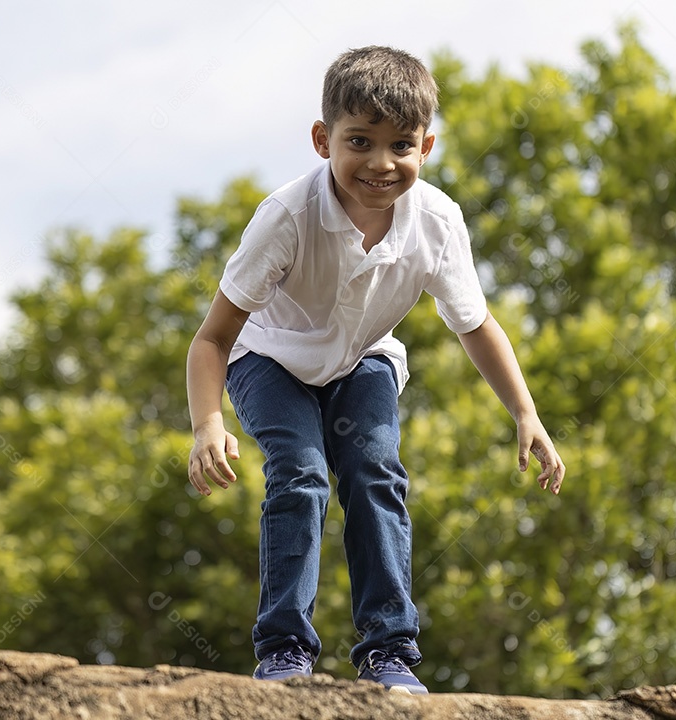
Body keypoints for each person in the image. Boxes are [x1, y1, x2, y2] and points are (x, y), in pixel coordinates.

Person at [185, 45, 566, 695]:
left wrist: (526, 414)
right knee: (301, 475)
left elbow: (476, 325)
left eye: (401, 146)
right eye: (359, 141)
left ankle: (389, 650)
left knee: (375, 471)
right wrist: (206, 424)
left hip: (364, 360)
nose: (380, 164)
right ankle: (284, 650)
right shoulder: (286, 218)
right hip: (268, 357)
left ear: (427, 147)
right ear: (321, 139)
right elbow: (212, 338)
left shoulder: (437, 224)